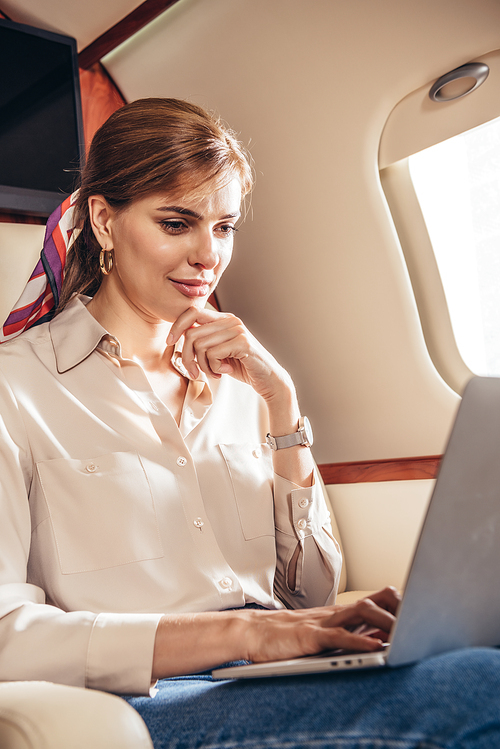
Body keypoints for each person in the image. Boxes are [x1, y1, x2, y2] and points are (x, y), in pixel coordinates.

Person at [0, 98, 499, 749]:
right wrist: (250, 634)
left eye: (225, 226)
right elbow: (8, 632)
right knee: (476, 686)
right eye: (177, 222)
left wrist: (282, 402)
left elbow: (307, 591)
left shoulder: (243, 385)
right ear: (103, 219)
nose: (209, 254)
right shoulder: (17, 386)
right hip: (150, 699)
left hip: (269, 674)